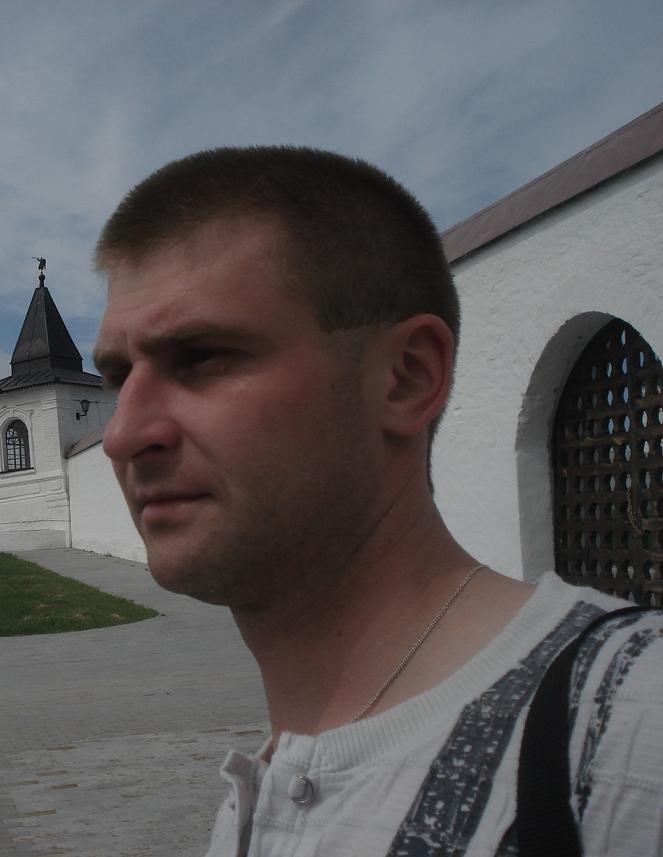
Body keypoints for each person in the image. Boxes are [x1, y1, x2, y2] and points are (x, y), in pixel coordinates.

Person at [91, 147, 662, 856]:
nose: (121, 434)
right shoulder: (266, 791)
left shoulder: (624, 728)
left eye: (202, 357)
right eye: (117, 376)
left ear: (405, 377)